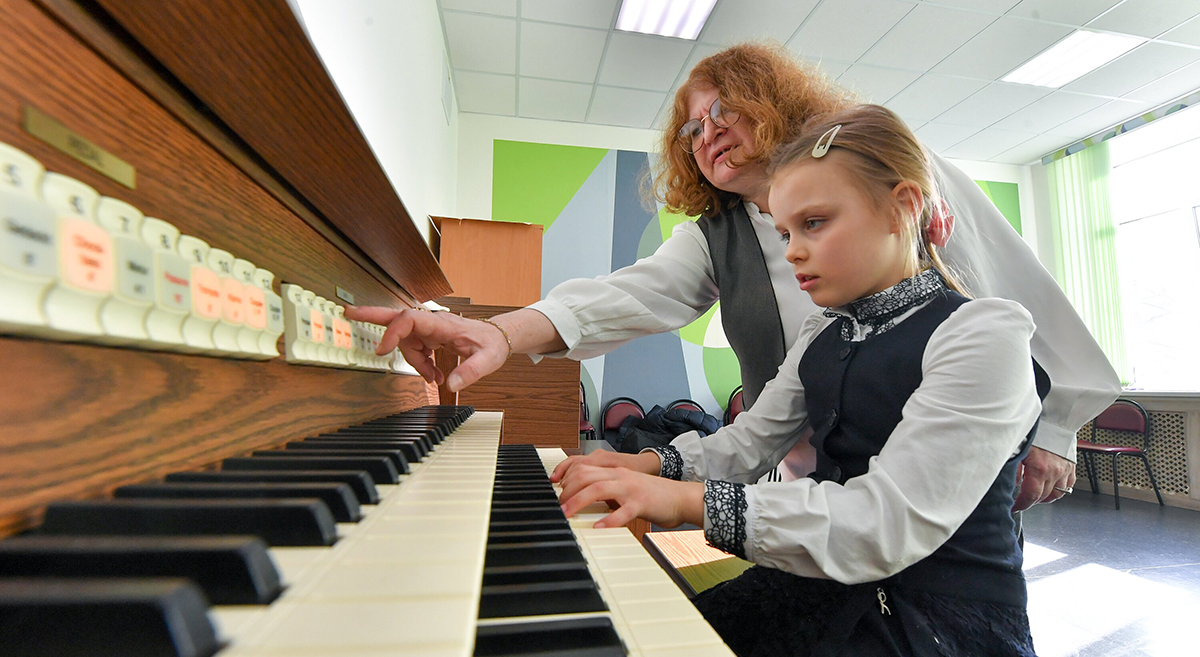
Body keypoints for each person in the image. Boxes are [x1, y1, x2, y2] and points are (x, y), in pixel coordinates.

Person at [345, 42, 1119, 510]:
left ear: (773, 103)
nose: (706, 132)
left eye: (724, 110)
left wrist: (1056, 430)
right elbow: (623, 296)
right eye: (691, 126)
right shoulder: (717, 236)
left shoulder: (897, 171)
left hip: (938, 471)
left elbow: (1016, 292)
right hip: (803, 486)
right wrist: (497, 333)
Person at [555, 104, 1055, 657]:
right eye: (785, 231)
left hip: (935, 623)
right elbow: (750, 442)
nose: (792, 250)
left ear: (903, 205)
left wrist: (685, 501)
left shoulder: (984, 333)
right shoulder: (824, 329)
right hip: (826, 585)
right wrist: (644, 466)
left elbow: (885, 523)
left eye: (814, 223)